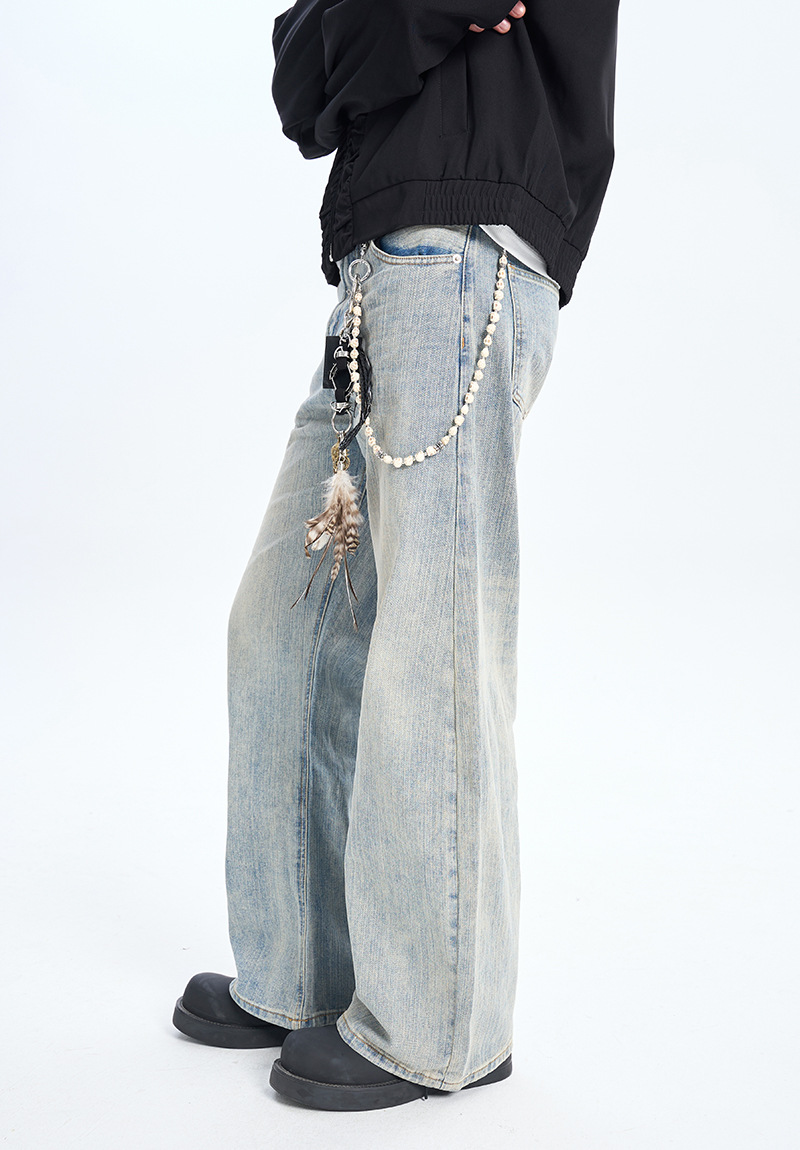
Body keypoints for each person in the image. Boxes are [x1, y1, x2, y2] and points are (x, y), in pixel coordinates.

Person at [172, 0, 620, 1112]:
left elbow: (356, 41)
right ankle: (303, 974)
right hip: (381, 270)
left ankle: (438, 1023)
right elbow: (299, 81)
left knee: (433, 645)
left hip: (463, 247)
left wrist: (356, 40)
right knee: (283, 623)